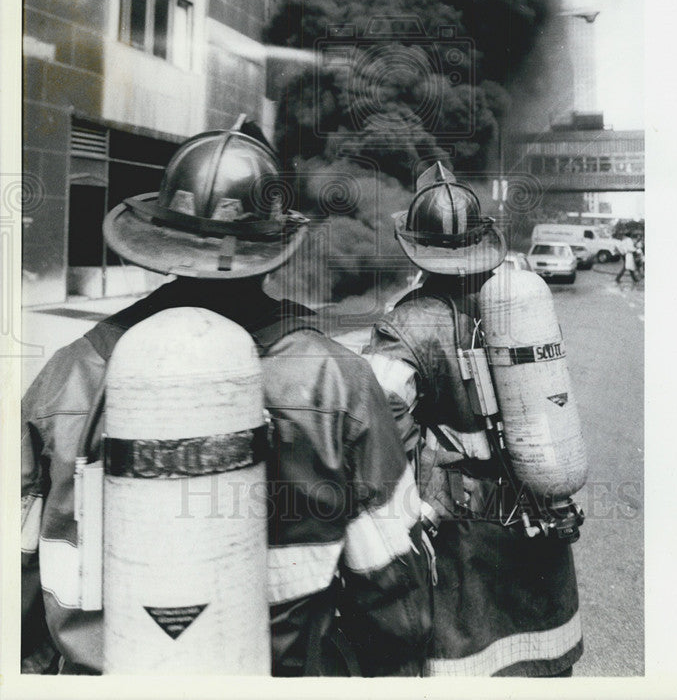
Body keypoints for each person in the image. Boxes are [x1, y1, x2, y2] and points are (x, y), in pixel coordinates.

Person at [21, 127, 431, 676]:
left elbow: (18, 574)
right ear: (275, 246)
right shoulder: (338, 380)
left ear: (159, 240)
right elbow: (393, 588)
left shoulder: (67, 376)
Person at [364, 163, 584, 677]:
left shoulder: (405, 326)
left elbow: (378, 437)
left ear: (415, 249)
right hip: (536, 518)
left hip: (463, 539)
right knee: (541, 661)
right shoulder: (520, 309)